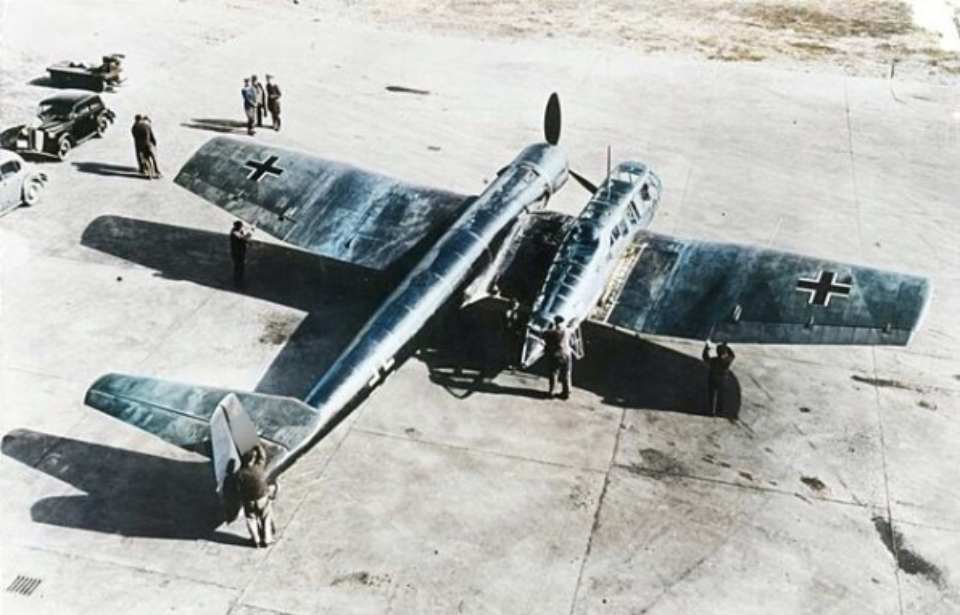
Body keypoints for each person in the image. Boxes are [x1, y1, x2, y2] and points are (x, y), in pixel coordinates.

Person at [235, 444, 275, 548]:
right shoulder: (259, 468)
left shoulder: (240, 473)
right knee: (265, 518)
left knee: (251, 520)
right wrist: (257, 447)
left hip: (249, 501)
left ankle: (256, 540)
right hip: (262, 497)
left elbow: (238, 488)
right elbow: (263, 456)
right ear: (253, 460)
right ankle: (267, 539)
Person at [542, 315, 572, 399]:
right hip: (567, 354)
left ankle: (552, 392)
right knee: (566, 374)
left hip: (556, 355)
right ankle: (566, 392)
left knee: (554, 373)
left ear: (555, 322)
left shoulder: (552, 332)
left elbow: (543, 336)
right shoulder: (567, 331)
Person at [702, 342, 736, 417]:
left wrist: (706, 349)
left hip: (712, 379)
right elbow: (732, 355)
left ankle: (711, 411)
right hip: (722, 380)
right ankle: (720, 411)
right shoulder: (727, 360)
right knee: (721, 396)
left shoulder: (714, 360)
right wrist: (726, 346)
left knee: (712, 396)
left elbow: (705, 357)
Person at [230, 221, 253, 288]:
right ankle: (237, 282)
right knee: (239, 267)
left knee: (240, 267)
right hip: (237, 253)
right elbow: (244, 239)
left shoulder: (239, 232)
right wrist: (250, 233)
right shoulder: (235, 233)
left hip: (240, 252)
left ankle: (239, 280)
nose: (241, 227)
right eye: (240, 226)